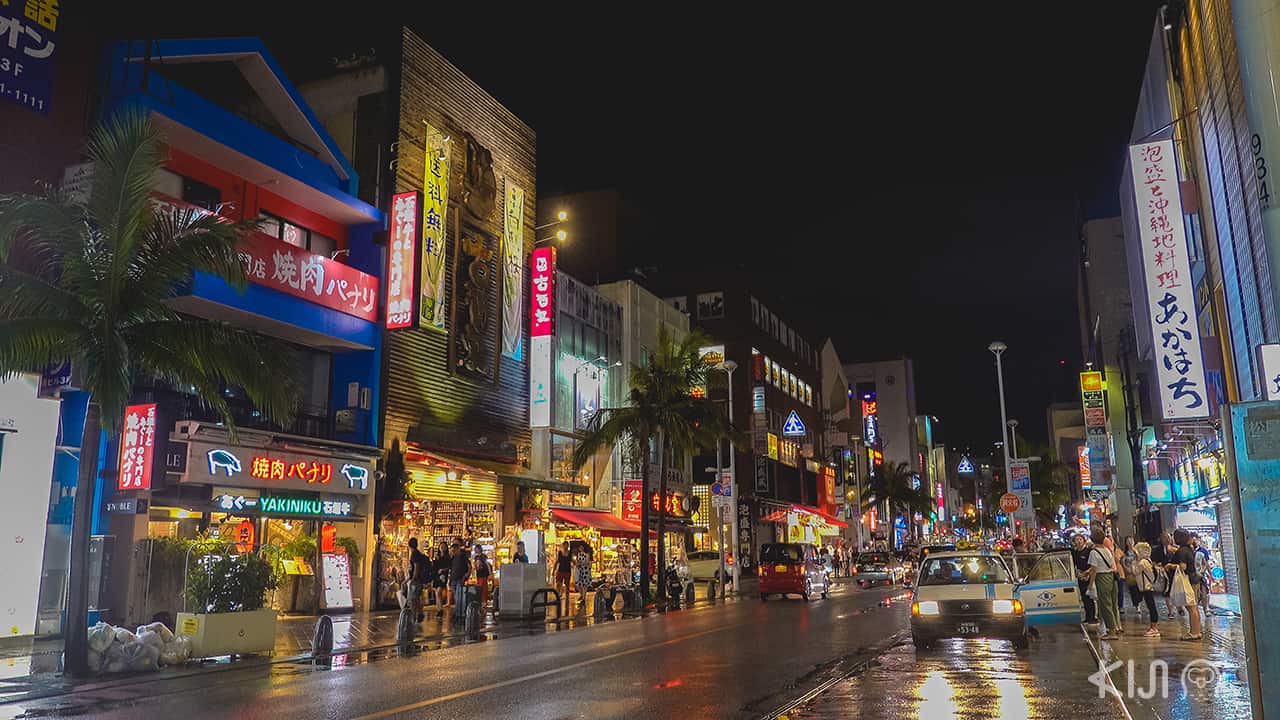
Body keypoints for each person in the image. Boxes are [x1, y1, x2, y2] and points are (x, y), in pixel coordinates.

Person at [1166, 528, 1203, 640]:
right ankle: (1196, 631)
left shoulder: (1182, 551)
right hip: (1194, 579)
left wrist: (1170, 566)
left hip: (1188, 581)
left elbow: (1182, 567)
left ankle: (1194, 632)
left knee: (1191, 607)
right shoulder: (1188, 549)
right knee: (1194, 607)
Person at [1086, 528, 1122, 639]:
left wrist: (1090, 584)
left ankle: (1112, 631)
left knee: (1105, 605)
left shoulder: (1093, 552)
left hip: (1102, 578)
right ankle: (1116, 627)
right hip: (1111, 577)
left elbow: (1094, 570)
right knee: (1112, 603)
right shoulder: (1106, 550)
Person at [1070, 534, 1098, 626]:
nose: (1079, 541)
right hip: (1080, 577)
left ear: (1084, 540)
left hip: (1089, 577)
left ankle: (1092, 618)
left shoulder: (1089, 551)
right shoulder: (1075, 553)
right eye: (1076, 540)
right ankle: (1087, 617)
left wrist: (1087, 572)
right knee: (1084, 598)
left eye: (1080, 539)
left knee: (1090, 597)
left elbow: (1093, 565)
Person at [1135, 542, 1161, 637]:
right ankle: (1153, 627)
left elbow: (1134, 571)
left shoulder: (1142, 562)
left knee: (1151, 607)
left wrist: (1133, 563)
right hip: (1149, 586)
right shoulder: (1148, 560)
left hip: (1146, 587)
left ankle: (1154, 628)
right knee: (1151, 606)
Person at [407, 537, 429, 623]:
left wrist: (413, 578)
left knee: (412, 598)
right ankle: (419, 613)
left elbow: (416, 566)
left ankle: (414, 615)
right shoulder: (418, 553)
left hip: (416, 579)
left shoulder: (414, 554)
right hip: (420, 579)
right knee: (416, 597)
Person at [450, 541, 471, 620]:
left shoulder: (463, 557)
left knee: (458, 596)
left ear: (458, 549)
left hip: (460, 578)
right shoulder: (453, 557)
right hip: (454, 578)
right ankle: (458, 611)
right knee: (456, 596)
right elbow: (452, 568)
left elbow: (469, 567)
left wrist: (465, 576)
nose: (453, 552)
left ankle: (459, 611)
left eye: (454, 550)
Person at [1122, 537, 1141, 616]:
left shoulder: (1136, 551)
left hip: (1137, 572)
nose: (1130, 543)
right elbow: (1123, 561)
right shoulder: (1125, 553)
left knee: (1139, 589)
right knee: (1133, 589)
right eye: (1128, 541)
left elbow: (1139, 560)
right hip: (1129, 572)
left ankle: (1139, 603)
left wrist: (1136, 552)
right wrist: (1126, 569)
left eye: (1131, 541)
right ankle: (1136, 604)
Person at [574, 543, 594, 609]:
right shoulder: (578, 554)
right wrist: (578, 563)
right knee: (578, 584)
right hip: (580, 570)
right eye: (580, 547)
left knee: (585, 585)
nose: (580, 548)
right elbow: (577, 562)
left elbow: (586, 562)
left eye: (581, 547)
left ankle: (583, 598)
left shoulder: (587, 554)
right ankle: (582, 595)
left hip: (586, 571)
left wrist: (580, 563)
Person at [555, 544, 573, 612]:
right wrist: (554, 570)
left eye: (567, 546)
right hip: (561, 570)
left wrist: (576, 564)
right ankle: (558, 595)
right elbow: (557, 561)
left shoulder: (569, 553)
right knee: (558, 583)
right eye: (564, 545)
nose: (566, 547)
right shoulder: (560, 553)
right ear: (563, 546)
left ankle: (567, 597)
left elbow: (572, 560)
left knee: (567, 585)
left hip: (567, 571)